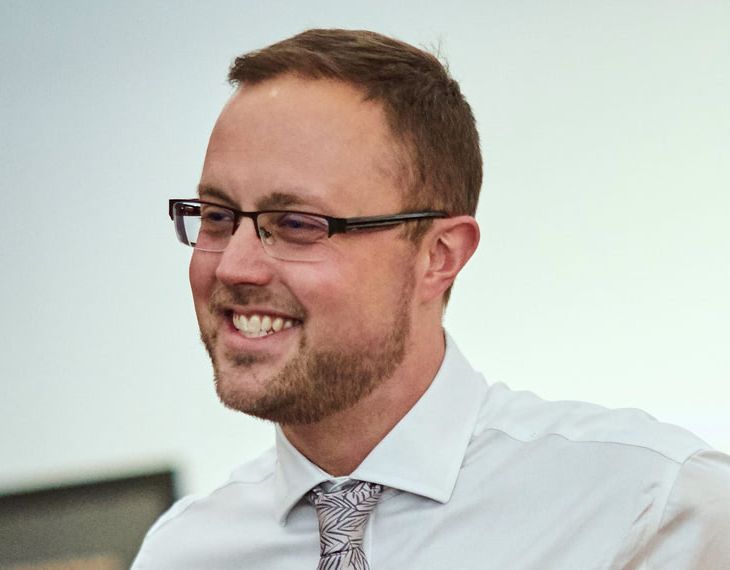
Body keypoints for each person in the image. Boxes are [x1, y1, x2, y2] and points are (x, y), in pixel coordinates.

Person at [133, 29, 730, 569]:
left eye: (296, 224)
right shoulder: (182, 554)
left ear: (439, 256)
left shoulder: (656, 509)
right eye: (216, 216)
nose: (233, 266)